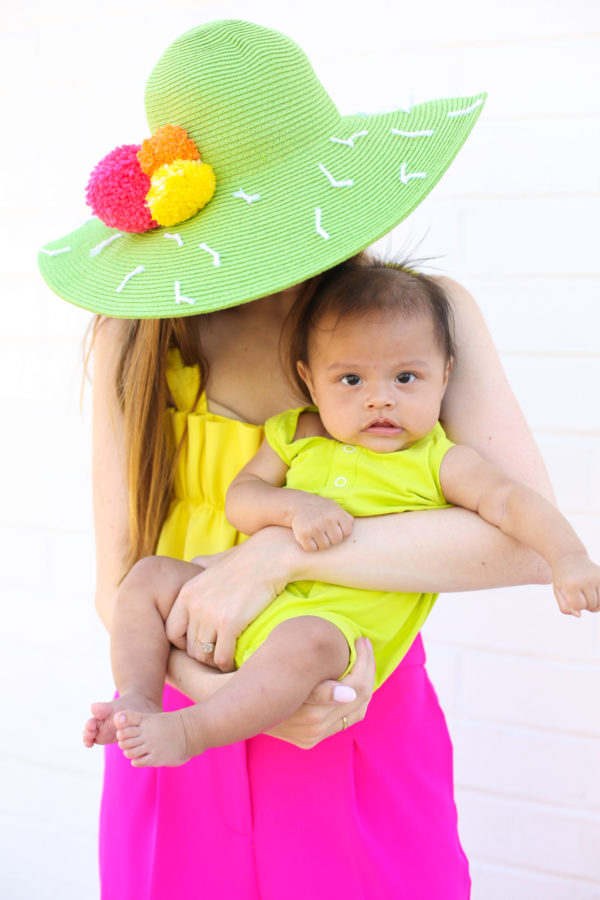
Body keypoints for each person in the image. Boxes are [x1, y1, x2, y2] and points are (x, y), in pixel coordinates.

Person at [38, 18, 594, 900]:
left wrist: (283, 549)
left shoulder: (416, 324)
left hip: (350, 697)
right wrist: (215, 702)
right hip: (179, 727)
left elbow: (526, 540)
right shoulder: (135, 342)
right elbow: (117, 585)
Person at [82, 258, 599, 768]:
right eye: (351, 380)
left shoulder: (439, 459)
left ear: (445, 377)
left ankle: (196, 730)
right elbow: (237, 504)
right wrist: (291, 509)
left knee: (306, 642)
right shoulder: (297, 431)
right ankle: (137, 699)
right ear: (309, 380)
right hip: (178, 682)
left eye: (405, 378)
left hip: (332, 677)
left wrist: (570, 557)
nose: (380, 400)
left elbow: (515, 507)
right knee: (147, 578)